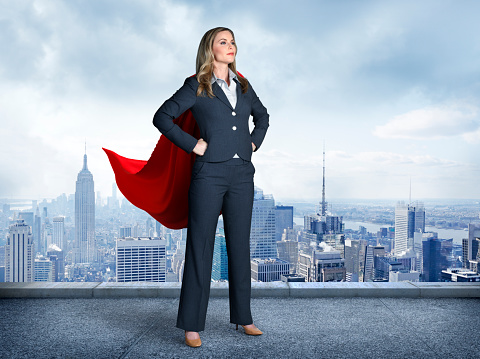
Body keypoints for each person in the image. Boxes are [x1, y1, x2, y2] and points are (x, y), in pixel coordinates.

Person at [152, 27, 269, 348]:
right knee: (200, 248)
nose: (230, 46)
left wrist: (253, 143)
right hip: (208, 175)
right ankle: (191, 325)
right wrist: (193, 145)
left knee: (240, 246)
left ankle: (244, 318)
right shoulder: (197, 85)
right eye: (223, 41)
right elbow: (162, 117)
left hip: (242, 174)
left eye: (232, 42)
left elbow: (263, 117)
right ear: (210, 48)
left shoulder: (244, 85)